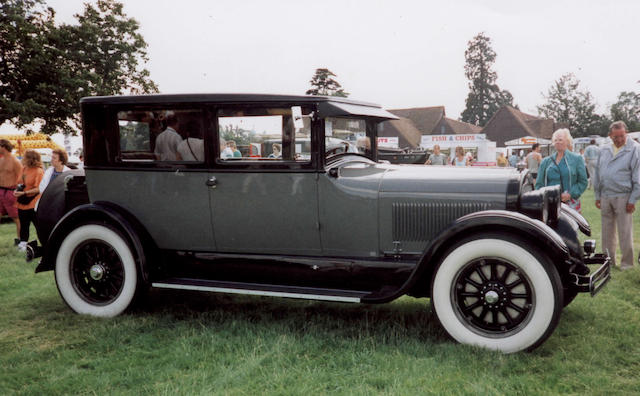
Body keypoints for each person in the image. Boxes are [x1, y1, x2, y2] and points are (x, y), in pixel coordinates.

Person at [593, 121, 640, 270]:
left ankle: (627, 264)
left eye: (622, 136)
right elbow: (598, 174)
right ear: (610, 136)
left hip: (624, 196)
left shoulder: (635, 149)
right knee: (607, 232)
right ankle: (608, 262)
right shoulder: (604, 149)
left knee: (624, 232)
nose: (619, 140)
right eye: (615, 137)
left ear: (626, 133)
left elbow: (638, 177)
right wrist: (597, 195)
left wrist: (633, 199)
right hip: (606, 195)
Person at [535, 129, 587, 212]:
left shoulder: (577, 159)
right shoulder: (545, 162)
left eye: (560, 139)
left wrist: (570, 194)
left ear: (567, 141)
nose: (558, 142)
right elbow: (539, 184)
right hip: (549, 205)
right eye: (555, 140)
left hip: (571, 205)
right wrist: (544, 197)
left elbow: (583, 182)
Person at [13, 150, 44, 251]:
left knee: (38, 225)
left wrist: (25, 193)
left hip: (34, 201)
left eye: (25, 157)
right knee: (23, 224)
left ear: (31, 159)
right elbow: (19, 182)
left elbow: (39, 188)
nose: (23, 159)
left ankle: (45, 243)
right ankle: (23, 243)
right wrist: (17, 190)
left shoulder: (39, 171)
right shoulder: (24, 169)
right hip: (22, 200)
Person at [0, 139, 23, 242]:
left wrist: (20, 192)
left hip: (11, 192)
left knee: (16, 218)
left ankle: (20, 240)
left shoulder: (15, 161)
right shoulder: (1, 160)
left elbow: (22, 178)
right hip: (0, 191)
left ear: (3, 147)